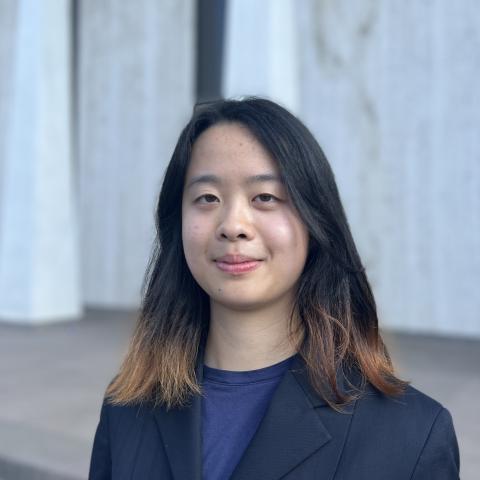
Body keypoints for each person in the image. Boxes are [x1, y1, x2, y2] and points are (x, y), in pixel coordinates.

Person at [88, 97, 460, 480]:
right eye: (207, 198)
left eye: (265, 197)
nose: (233, 225)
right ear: (177, 223)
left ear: (315, 221)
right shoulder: (127, 408)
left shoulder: (412, 436)